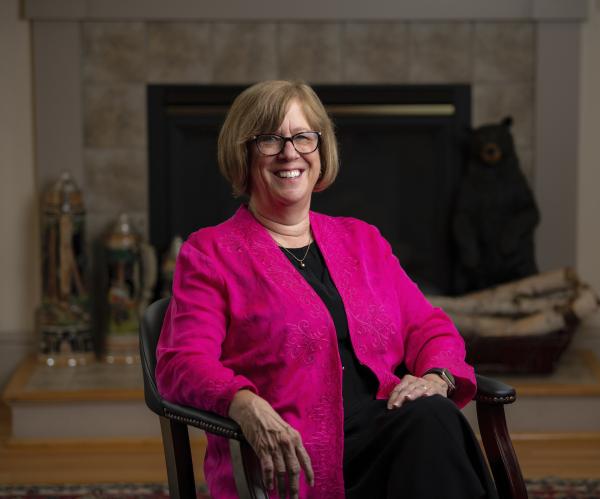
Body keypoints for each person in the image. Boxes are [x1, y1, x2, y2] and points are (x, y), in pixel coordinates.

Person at [155, 80, 498, 499]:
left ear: (320, 149)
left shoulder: (361, 240)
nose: (289, 153)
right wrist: (244, 404)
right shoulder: (210, 252)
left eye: (303, 137)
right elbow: (181, 361)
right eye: (269, 140)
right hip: (294, 461)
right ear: (243, 153)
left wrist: (436, 377)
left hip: (389, 435)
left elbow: (430, 327)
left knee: (431, 415)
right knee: (433, 427)